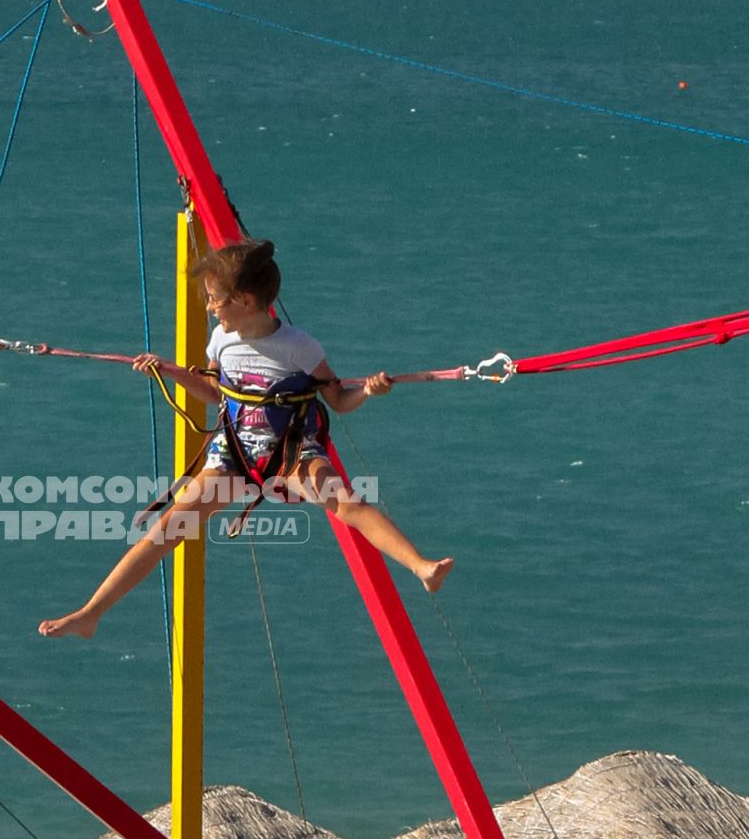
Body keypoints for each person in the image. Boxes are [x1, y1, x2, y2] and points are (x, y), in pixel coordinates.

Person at [39, 239, 452, 639]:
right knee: (167, 529)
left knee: (347, 503)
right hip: (234, 451)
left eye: (214, 299)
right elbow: (216, 394)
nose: (208, 306)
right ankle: (89, 614)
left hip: (289, 452)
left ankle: (421, 567)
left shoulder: (299, 347)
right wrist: (168, 370)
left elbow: (339, 401)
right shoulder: (221, 340)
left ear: (246, 301)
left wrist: (370, 391)